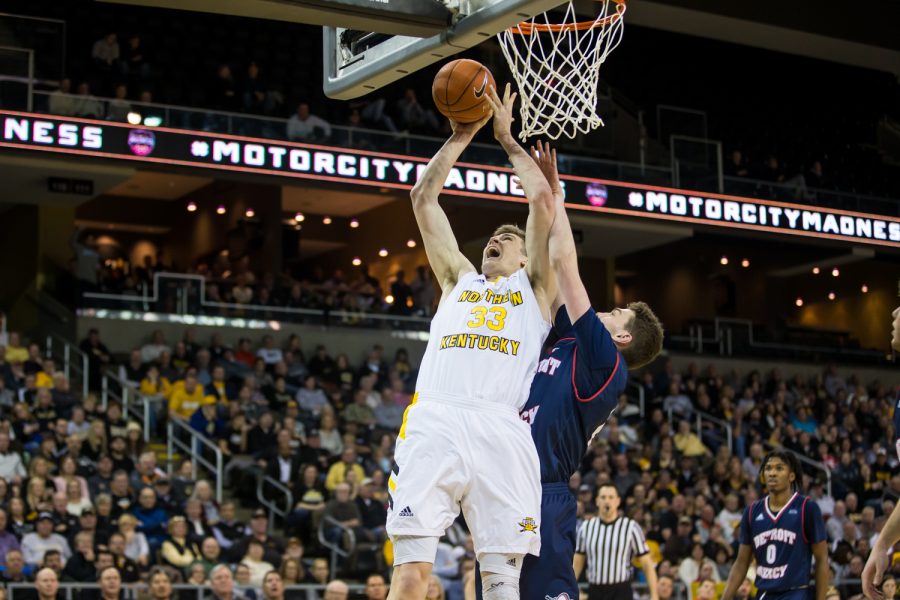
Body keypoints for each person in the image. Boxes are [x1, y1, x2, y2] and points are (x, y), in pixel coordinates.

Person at [386, 84, 556, 600]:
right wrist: (462, 135)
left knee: (502, 583)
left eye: (509, 239)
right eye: (495, 237)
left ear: (525, 258)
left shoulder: (537, 291)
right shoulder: (458, 279)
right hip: (435, 419)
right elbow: (422, 198)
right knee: (411, 572)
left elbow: (543, 204)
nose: (497, 240)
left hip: (500, 428)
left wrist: (507, 139)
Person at [476, 142, 662, 600]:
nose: (605, 313)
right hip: (506, 485)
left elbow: (564, 263)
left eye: (615, 313)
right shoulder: (568, 338)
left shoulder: (605, 362)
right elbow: (550, 275)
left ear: (621, 337)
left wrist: (556, 196)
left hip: (543, 492)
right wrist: (540, 199)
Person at [720, 450, 829, 600]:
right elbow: (741, 563)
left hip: (796, 592)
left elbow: (822, 559)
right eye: (768, 468)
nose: (772, 473)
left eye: (779, 468)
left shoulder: (807, 508)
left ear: (791, 476)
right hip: (764, 593)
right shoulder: (751, 512)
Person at [570, 484, 657, 600]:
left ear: (618, 501)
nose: (607, 501)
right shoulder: (586, 527)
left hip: (621, 591)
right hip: (595, 590)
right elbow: (577, 563)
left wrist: (654, 595)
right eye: (603, 497)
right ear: (597, 501)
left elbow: (647, 564)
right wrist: (569, 590)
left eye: (611, 497)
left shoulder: (631, 527)